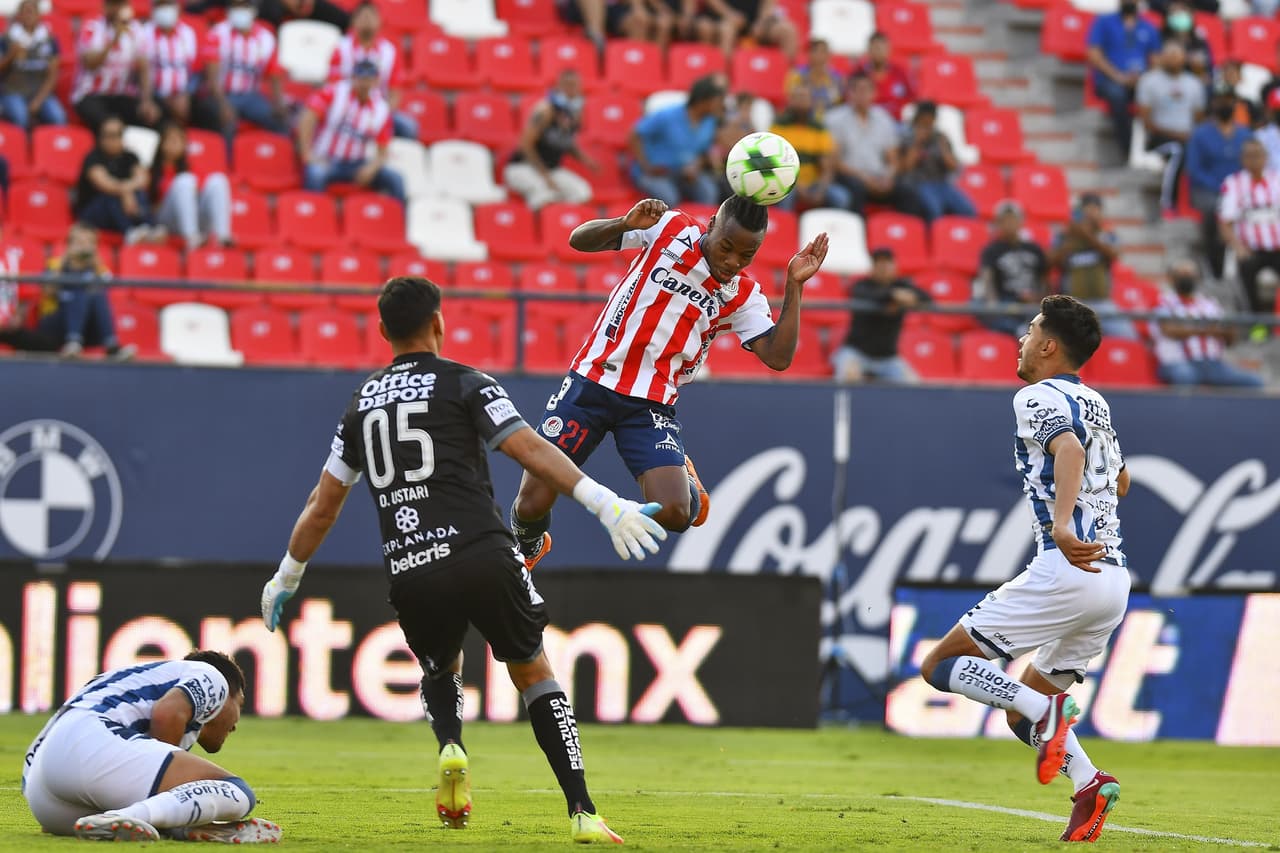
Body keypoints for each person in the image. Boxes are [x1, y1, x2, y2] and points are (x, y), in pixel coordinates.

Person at [259, 276, 668, 843]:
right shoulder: (467, 382)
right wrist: (605, 503)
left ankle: (451, 743)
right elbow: (530, 448)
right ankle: (582, 811)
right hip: (481, 551)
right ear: (439, 324)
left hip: (409, 566)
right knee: (532, 671)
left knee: (440, 665)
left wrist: (287, 575)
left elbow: (322, 506)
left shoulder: (358, 407)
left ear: (382, 331)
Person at [508, 196, 829, 568]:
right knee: (530, 505)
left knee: (677, 512)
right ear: (710, 226)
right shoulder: (671, 228)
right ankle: (529, 543)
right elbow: (578, 240)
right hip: (591, 381)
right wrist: (624, 224)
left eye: (746, 255)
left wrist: (795, 285)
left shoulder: (743, 295)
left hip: (650, 405)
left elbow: (778, 357)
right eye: (726, 247)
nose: (732, 262)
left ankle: (684, 480)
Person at [918, 295, 1128, 845]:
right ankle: (1089, 782)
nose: (1022, 338)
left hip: (1067, 568)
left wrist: (1063, 524)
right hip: (1114, 581)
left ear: (1049, 345)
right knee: (1019, 717)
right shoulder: (1098, 404)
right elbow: (1120, 481)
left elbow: (1069, 452)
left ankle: (1048, 711)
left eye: (1031, 330)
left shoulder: (1035, 395)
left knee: (939, 665)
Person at [22, 650, 280, 843]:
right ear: (230, 693)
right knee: (239, 792)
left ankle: (173, 824)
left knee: (175, 795)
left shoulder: (130, 685)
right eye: (240, 706)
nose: (235, 724)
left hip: (43, 795)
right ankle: (153, 818)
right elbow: (167, 713)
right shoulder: (212, 675)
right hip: (89, 742)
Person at [0, 223, 135, 359]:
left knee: (96, 291)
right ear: (69, 245)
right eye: (80, 242)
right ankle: (73, 342)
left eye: (89, 242)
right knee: (78, 290)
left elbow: (109, 287)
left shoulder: (99, 269)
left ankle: (111, 346)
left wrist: (94, 264)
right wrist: (67, 263)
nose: (84, 247)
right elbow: (48, 290)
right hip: (55, 326)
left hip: (86, 328)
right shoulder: (55, 264)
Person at [298, 59, 405, 204]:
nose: (364, 83)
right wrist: (307, 153)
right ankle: (315, 220)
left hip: (357, 163)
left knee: (395, 179)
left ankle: (396, 224)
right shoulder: (334, 93)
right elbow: (307, 119)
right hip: (328, 158)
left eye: (369, 79)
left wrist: (371, 168)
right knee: (316, 173)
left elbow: (383, 151)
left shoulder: (381, 109)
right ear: (353, 77)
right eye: (361, 78)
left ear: (376, 81)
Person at [825, 72, 925, 219]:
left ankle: (902, 235)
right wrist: (863, 178)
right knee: (855, 190)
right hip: (852, 175)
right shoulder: (835, 119)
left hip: (879, 177)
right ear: (850, 93)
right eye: (857, 90)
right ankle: (858, 236)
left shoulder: (884, 119)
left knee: (909, 192)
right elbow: (835, 162)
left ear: (874, 93)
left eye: (866, 90)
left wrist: (888, 177)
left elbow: (893, 158)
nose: (862, 95)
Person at [1152, 259, 1264, 387]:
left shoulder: (1210, 304)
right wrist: (1208, 329)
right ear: (1171, 278)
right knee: (1185, 376)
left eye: (1190, 274)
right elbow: (1169, 330)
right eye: (1182, 274)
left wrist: (1190, 328)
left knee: (1253, 382)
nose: (1187, 278)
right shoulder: (1165, 301)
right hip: (1179, 361)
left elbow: (1230, 334)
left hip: (1213, 363)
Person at [830, 247, 930, 384]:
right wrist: (894, 296)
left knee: (913, 384)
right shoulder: (862, 285)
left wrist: (907, 297)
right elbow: (869, 295)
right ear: (873, 267)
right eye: (879, 263)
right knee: (848, 377)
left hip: (888, 357)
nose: (883, 268)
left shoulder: (902, 284)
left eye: (887, 263)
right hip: (857, 352)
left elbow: (927, 297)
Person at [504, 69, 596, 211]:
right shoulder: (546, 110)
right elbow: (525, 144)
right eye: (567, 86)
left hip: (552, 168)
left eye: (575, 86)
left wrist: (585, 159)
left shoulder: (575, 113)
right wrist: (545, 175)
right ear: (558, 87)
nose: (572, 91)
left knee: (582, 192)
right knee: (543, 194)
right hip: (523, 167)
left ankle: (564, 225)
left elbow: (565, 141)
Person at [628, 75, 724, 207]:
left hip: (685, 173)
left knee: (709, 192)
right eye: (717, 101)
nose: (720, 105)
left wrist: (696, 166)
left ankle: (701, 226)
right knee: (669, 198)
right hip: (657, 172)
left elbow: (704, 150)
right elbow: (635, 134)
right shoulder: (668, 115)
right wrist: (646, 166)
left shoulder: (710, 121)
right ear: (703, 100)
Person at [1048, 193, 1135, 339]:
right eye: (1087, 210)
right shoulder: (1065, 236)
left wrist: (1088, 236)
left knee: (1128, 338)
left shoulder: (1107, 235)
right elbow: (1050, 262)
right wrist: (1072, 238)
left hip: (1102, 303)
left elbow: (1114, 255)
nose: (1091, 215)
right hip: (1073, 303)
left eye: (1096, 210)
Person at [1187, 83, 1251, 275]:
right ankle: (1215, 265)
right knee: (1214, 213)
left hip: (1241, 190)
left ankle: (1249, 261)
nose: (1225, 104)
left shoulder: (1245, 133)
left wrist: (1236, 189)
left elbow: (1250, 165)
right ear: (1213, 104)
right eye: (1221, 101)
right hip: (1209, 190)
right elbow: (1194, 169)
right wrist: (1221, 188)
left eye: (1229, 101)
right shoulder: (1200, 134)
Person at [199, 0, 288, 138]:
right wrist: (223, 105)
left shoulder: (266, 38)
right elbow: (212, 79)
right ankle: (225, 158)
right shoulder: (218, 33)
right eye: (237, 6)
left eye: (245, 6)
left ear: (253, 10)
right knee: (226, 120)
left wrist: (278, 104)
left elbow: (275, 75)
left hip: (251, 96)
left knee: (280, 122)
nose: (240, 11)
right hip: (222, 94)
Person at [328, 2, 416, 140]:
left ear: (380, 21)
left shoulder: (389, 51)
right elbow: (333, 86)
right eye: (362, 16)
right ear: (353, 21)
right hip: (345, 108)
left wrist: (381, 114)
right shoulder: (341, 48)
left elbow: (395, 92)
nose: (367, 19)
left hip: (378, 109)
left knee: (408, 127)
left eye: (371, 16)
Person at [1135, 42, 1204, 215]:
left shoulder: (1194, 83)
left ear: (1184, 58)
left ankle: (1197, 206)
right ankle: (1167, 203)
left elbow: (1198, 118)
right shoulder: (1149, 81)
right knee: (1177, 150)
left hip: (1187, 138)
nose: (1173, 59)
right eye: (1170, 54)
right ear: (1162, 57)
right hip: (1158, 139)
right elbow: (1146, 121)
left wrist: (1189, 136)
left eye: (1177, 55)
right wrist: (1176, 134)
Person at [1086, 0, 1162, 157]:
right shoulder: (1104, 22)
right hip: (1109, 79)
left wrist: (1143, 79)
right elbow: (1094, 55)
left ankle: (1156, 148)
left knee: (1158, 95)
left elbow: (1156, 61)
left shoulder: (1148, 27)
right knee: (1118, 95)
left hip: (1140, 81)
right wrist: (1119, 77)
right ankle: (1127, 150)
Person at [73, 0, 162, 131]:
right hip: (91, 95)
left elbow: (144, 68)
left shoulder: (136, 30)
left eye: (120, 4)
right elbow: (90, 64)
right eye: (113, 4)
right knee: (111, 127)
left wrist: (146, 101)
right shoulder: (91, 28)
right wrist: (114, 39)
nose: (117, 9)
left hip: (121, 94)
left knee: (153, 119)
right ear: (105, 6)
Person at [1219, 138, 1280, 316]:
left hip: (1277, 248)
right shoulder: (1234, 183)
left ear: (1266, 157)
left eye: (1258, 155)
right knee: (1245, 273)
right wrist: (1238, 247)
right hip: (1251, 250)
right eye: (1249, 156)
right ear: (1242, 159)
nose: (1254, 160)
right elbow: (1225, 222)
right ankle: (1255, 322)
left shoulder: (1277, 180)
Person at [75, 116, 160, 242]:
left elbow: (143, 179)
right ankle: (130, 232)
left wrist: (126, 189)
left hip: (125, 210)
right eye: (107, 135)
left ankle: (148, 227)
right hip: (93, 214)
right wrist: (125, 190)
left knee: (139, 193)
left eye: (116, 134)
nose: (111, 140)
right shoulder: (93, 157)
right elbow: (104, 184)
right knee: (111, 196)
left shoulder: (130, 156)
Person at [768, 84, 852, 211]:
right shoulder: (779, 126)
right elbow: (775, 166)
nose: (801, 102)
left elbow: (827, 167)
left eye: (805, 98)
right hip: (786, 183)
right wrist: (798, 187)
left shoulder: (818, 128)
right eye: (798, 97)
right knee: (786, 196)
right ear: (790, 101)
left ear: (811, 101)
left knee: (841, 197)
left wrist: (821, 190)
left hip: (814, 183)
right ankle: (786, 227)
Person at [150, 122, 232, 250]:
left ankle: (223, 236)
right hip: (166, 223)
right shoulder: (152, 171)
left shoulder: (190, 168)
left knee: (218, 180)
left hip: (194, 217)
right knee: (184, 180)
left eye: (180, 140)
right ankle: (191, 237)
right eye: (171, 139)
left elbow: (203, 187)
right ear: (161, 143)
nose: (176, 143)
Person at [978, 200, 1050, 337]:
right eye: (1004, 220)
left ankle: (1022, 330)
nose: (1009, 224)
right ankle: (1019, 330)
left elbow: (1044, 280)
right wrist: (993, 303)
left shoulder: (1034, 249)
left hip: (1031, 302)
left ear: (1020, 222)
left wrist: (1038, 298)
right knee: (980, 307)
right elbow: (988, 280)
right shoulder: (992, 250)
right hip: (1006, 301)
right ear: (998, 223)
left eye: (1012, 219)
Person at [899, 101, 977, 222]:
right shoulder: (908, 137)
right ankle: (935, 237)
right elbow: (906, 167)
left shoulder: (940, 138)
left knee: (968, 210)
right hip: (919, 184)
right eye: (923, 121)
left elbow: (953, 166)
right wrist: (917, 143)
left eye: (930, 121)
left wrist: (944, 150)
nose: (927, 125)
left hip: (942, 183)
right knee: (934, 209)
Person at [0, 0, 67, 129]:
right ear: (18, 15)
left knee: (58, 117)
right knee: (20, 117)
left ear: (39, 15)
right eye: (25, 12)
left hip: (40, 92)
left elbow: (53, 75)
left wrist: (38, 101)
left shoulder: (49, 39)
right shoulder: (7, 38)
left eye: (32, 12)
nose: (28, 15)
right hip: (13, 92)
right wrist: (11, 55)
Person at [140, 0, 199, 125]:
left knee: (210, 113)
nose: (165, 10)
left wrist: (186, 94)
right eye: (161, 5)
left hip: (183, 95)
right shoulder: (144, 33)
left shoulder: (187, 33)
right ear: (153, 9)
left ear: (177, 7)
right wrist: (158, 98)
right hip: (155, 95)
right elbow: (140, 72)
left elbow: (194, 70)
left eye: (168, 5)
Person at [697, 0, 798, 61]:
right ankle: (724, 79)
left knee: (788, 30)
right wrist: (729, 15)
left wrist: (762, 22)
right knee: (727, 30)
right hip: (725, 18)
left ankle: (786, 77)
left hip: (756, 22)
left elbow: (769, 4)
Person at [851, 31, 915, 123]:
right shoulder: (859, 73)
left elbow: (912, 99)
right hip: (865, 122)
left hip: (895, 123)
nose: (878, 52)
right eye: (875, 48)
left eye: (881, 48)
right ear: (869, 50)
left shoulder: (901, 72)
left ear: (889, 49)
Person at [557, 0, 655, 53]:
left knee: (638, 22)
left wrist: (637, 8)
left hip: (610, 7)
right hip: (580, 5)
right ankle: (597, 38)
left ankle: (633, 63)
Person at [783, 37, 843, 119]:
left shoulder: (836, 79)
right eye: (815, 51)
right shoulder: (797, 76)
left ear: (829, 55)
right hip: (804, 119)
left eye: (823, 52)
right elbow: (791, 100)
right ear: (809, 54)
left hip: (830, 120)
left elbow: (838, 104)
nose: (819, 56)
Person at [1160, 0, 1211, 82]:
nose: (1179, 15)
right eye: (1175, 12)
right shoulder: (1162, 40)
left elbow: (1207, 71)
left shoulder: (1200, 42)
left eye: (1183, 11)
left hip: (1194, 83)